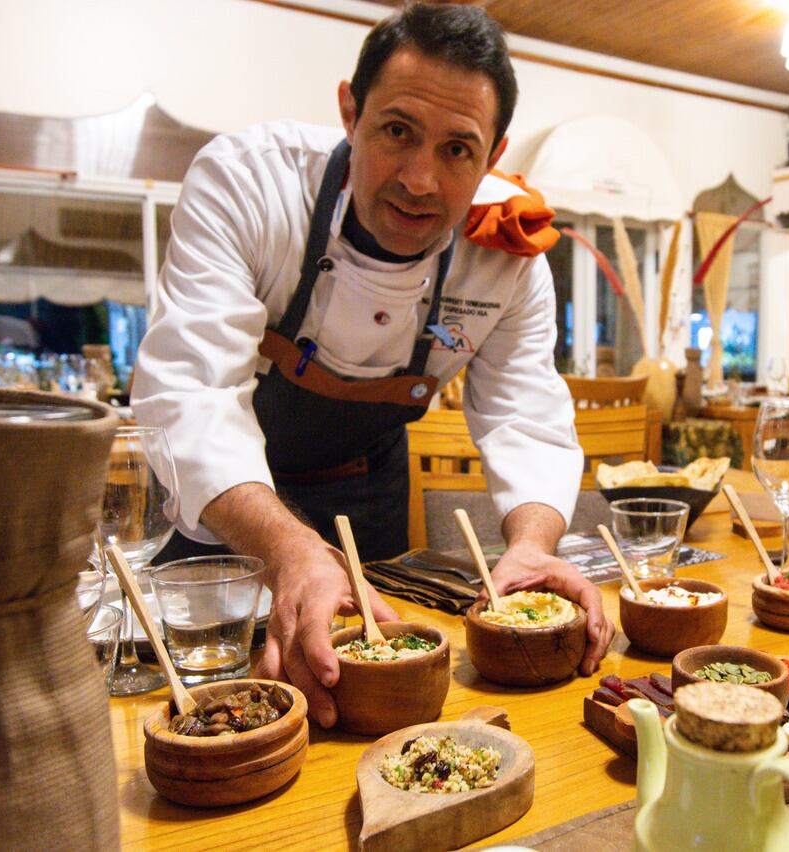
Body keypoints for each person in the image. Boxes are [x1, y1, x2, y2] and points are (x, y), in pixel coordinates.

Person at [132, 3, 614, 726]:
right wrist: (289, 551)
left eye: (458, 150)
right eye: (397, 132)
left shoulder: (507, 260)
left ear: (493, 154)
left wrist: (533, 548)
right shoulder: (249, 183)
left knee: (373, 706)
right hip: (232, 510)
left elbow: (527, 418)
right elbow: (191, 395)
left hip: (367, 496)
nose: (420, 179)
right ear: (349, 112)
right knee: (215, 707)